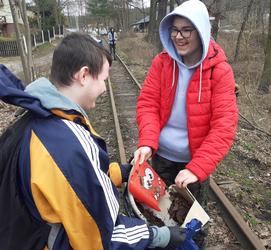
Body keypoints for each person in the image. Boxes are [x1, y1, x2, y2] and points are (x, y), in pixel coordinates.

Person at [0, 33, 186, 250]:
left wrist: (121, 173)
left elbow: (66, 184)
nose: (105, 89)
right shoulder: (68, 143)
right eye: (104, 80)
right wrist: (159, 236)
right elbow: (101, 237)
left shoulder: (35, 118)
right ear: (84, 75)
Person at [134, 0, 238, 246]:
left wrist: (196, 168)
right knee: (157, 217)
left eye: (186, 30)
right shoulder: (162, 63)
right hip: (161, 157)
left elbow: (224, 126)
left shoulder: (219, 71)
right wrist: (148, 142)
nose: (178, 37)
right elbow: (148, 104)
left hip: (194, 165)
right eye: (174, 30)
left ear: (201, 31)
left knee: (194, 225)